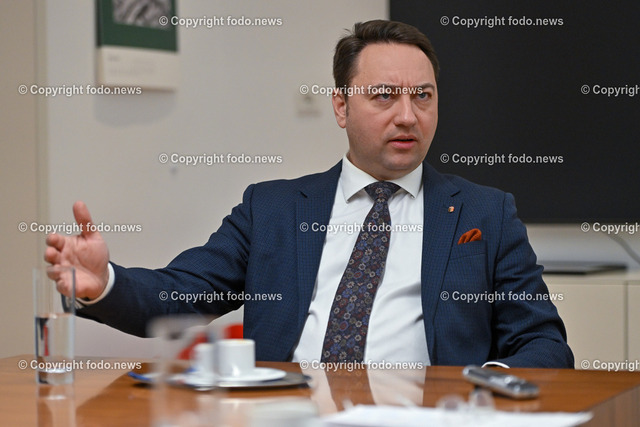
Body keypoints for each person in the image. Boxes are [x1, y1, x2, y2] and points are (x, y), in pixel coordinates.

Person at [45, 19, 574, 368]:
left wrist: (482, 390)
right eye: (384, 96)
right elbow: (180, 294)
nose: (407, 116)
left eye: (423, 96)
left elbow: (544, 343)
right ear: (341, 107)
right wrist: (101, 283)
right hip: (287, 412)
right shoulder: (272, 209)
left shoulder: (485, 213)